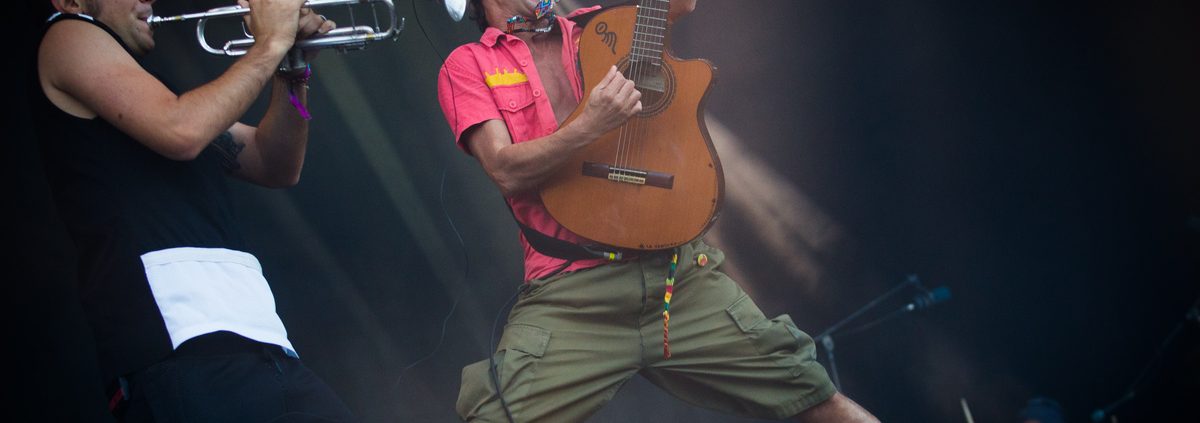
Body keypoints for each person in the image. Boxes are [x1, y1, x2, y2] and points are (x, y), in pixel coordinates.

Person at [436, 0, 880, 421]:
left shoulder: (598, 25)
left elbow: (680, 4)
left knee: (815, 395)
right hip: (572, 294)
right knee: (495, 416)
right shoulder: (468, 65)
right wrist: (592, 123)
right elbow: (505, 170)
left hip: (677, 280)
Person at [32, 0, 356, 421]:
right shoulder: (67, 34)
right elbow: (181, 131)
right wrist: (271, 41)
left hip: (258, 340)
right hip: (176, 347)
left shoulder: (161, 98)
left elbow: (276, 163)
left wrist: (292, 69)